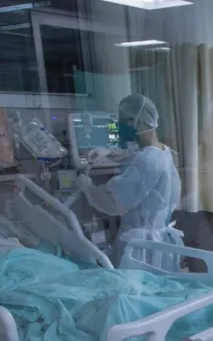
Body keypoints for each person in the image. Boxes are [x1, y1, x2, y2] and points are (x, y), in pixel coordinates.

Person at [78, 94, 184, 271]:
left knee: (139, 292)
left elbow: (115, 204)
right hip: (160, 240)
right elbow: (140, 160)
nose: (119, 126)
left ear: (141, 122)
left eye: (124, 121)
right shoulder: (163, 152)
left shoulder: (147, 160)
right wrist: (110, 152)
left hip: (142, 246)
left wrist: (88, 187)